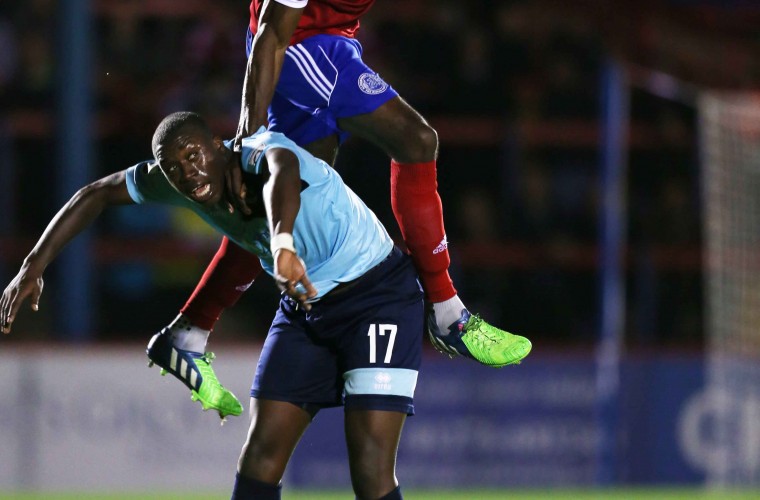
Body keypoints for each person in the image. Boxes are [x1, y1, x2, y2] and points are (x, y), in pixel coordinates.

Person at [1, 112, 520, 499]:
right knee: (260, 460)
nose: (188, 172)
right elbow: (94, 193)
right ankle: (185, 335)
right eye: (173, 167)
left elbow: (283, 174)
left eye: (194, 155)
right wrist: (33, 265)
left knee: (369, 466)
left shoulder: (259, 151)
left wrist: (281, 244)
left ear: (218, 145)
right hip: (306, 312)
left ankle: (185, 335)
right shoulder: (180, 183)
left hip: (377, 296)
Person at [164, 0, 530, 382]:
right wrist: (249, 144)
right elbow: (272, 35)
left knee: (281, 199)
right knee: (416, 140)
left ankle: (189, 330)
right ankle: (447, 312)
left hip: (332, 39)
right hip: (297, 47)